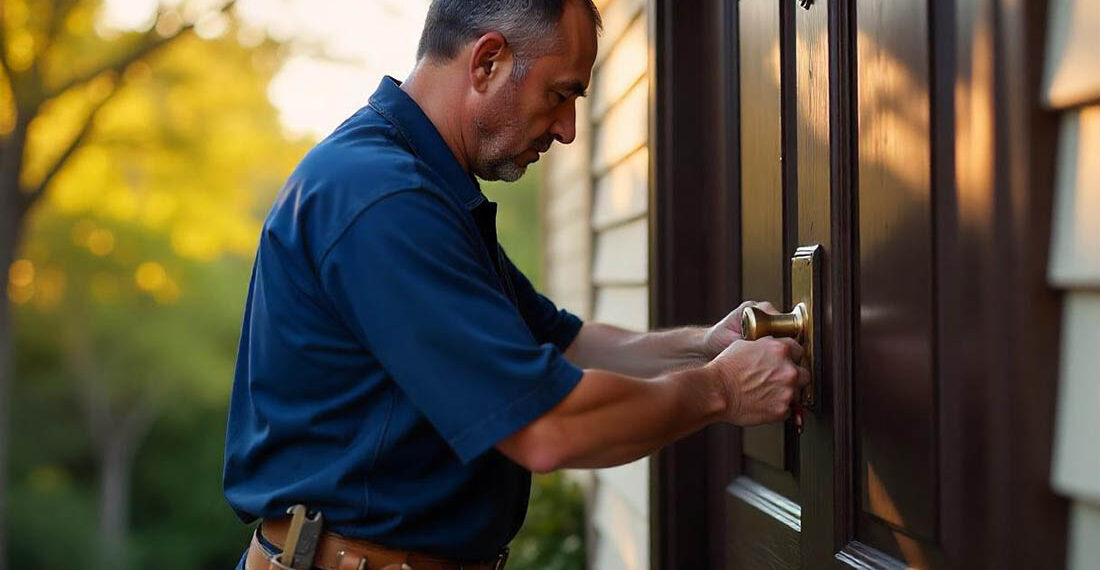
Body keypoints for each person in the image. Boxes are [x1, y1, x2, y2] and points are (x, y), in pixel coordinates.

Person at [223, 1, 810, 569]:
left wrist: (706, 345)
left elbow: (565, 345)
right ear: (487, 62)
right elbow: (545, 429)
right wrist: (722, 391)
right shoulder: (384, 200)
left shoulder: (423, 187)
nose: (569, 130)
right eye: (560, 95)